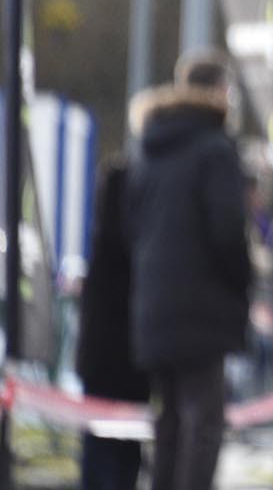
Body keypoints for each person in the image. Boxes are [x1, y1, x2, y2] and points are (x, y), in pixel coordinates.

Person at [123, 48, 252, 490]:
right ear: (221, 91)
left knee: (170, 424)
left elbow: (132, 226)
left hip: (153, 307)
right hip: (203, 308)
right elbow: (227, 232)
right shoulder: (215, 149)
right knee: (203, 422)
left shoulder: (149, 149)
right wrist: (241, 282)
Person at [76, 150, 149, 490]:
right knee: (120, 460)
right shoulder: (135, 258)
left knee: (100, 456)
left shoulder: (101, 250)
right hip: (127, 367)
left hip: (102, 367)